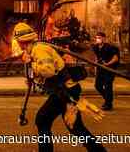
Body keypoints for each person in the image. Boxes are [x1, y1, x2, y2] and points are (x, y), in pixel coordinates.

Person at [13, 22, 105, 152]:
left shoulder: (39, 49)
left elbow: (48, 70)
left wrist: (32, 65)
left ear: (21, 41)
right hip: (65, 91)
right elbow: (45, 73)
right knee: (75, 127)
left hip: (65, 91)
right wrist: (33, 78)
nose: (16, 44)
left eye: (17, 41)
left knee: (42, 119)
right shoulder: (33, 50)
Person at [92, 32, 120, 111]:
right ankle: (108, 100)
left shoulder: (110, 47)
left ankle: (108, 104)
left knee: (108, 86)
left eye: (99, 38)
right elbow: (97, 58)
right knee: (98, 86)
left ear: (104, 38)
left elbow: (115, 58)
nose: (98, 39)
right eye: (97, 38)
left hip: (109, 70)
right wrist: (95, 68)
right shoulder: (96, 47)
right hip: (100, 69)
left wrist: (107, 64)